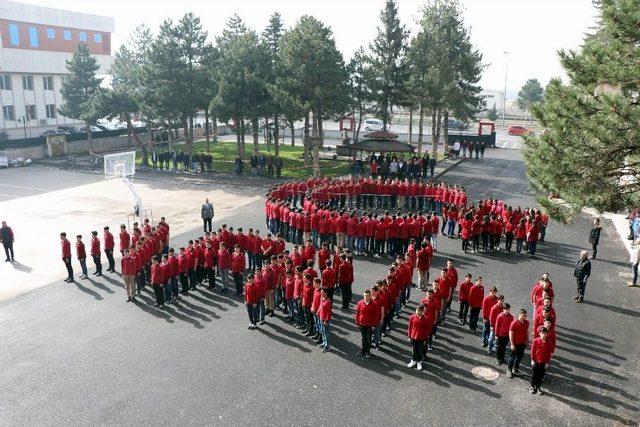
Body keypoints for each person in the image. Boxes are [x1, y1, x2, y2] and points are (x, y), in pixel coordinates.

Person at [407, 303, 433, 371]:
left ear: (422, 311)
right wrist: (409, 336)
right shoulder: (412, 317)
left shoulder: (426, 319)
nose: (417, 312)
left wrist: (425, 338)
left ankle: (419, 362)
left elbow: (427, 330)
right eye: (417, 310)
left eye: (419, 311)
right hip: (413, 337)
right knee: (414, 349)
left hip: (422, 338)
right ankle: (413, 360)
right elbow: (410, 327)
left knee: (420, 350)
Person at [530, 327, 554, 395]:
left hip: (544, 362)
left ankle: (538, 387)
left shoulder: (549, 342)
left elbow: (549, 353)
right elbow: (532, 351)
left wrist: (547, 362)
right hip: (536, 362)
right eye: (542, 333)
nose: (544, 335)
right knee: (534, 375)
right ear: (539, 333)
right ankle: (532, 386)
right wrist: (532, 359)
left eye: (545, 333)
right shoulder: (536, 341)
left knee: (540, 376)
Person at [355, 289, 378, 358]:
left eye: (367, 296)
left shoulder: (374, 304)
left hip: (370, 325)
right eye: (365, 296)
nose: (366, 297)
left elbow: (376, 315)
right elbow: (357, 313)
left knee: (368, 339)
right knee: (363, 338)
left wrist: (374, 325)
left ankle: (368, 352)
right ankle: (363, 351)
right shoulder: (360, 303)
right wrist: (357, 322)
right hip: (362, 324)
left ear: (370, 296)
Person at [508, 308, 529, 377]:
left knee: (519, 357)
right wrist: (512, 344)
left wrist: (527, 341)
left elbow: (526, 332)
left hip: (522, 344)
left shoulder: (526, 322)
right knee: (512, 357)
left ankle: (516, 369)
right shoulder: (514, 323)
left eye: (525, 316)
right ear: (519, 315)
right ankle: (509, 370)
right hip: (515, 344)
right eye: (523, 315)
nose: (524, 317)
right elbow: (511, 334)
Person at [317, 287, 332, 352]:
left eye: (322, 292)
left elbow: (329, 313)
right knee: (322, 331)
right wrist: (318, 311)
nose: (321, 293)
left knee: (326, 333)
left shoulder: (328, 301)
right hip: (321, 317)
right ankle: (324, 343)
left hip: (325, 319)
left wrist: (327, 321)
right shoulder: (321, 298)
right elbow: (320, 305)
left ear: (326, 293)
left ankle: (327, 346)